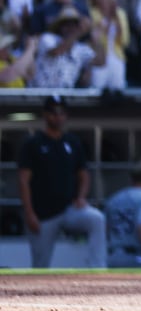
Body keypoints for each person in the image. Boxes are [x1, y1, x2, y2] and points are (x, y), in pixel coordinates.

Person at [17, 94, 107, 268]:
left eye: (61, 112)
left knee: (96, 219)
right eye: (53, 112)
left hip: (69, 209)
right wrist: (29, 213)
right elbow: (23, 181)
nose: (57, 116)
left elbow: (84, 174)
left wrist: (81, 197)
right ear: (45, 114)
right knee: (40, 264)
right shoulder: (33, 143)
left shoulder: (72, 142)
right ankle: (37, 294)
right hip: (42, 214)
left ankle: (98, 268)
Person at [105, 164, 141, 268]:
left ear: (131, 179)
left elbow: (105, 231)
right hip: (135, 258)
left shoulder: (113, 198)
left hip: (111, 257)